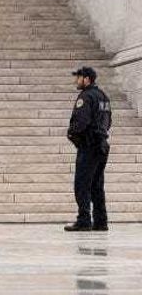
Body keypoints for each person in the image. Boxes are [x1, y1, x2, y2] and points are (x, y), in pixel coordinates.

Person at [66, 66, 112, 232]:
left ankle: (84, 220)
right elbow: (108, 121)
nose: (76, 81)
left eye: (78, 77)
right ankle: (101, 221)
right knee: (97, 185)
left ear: (86, 79)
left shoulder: (86, 97)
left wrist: (72, 134)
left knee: (82, 184)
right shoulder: (103, 97)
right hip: (102, 145)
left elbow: (81, 122)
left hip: (90, 145)